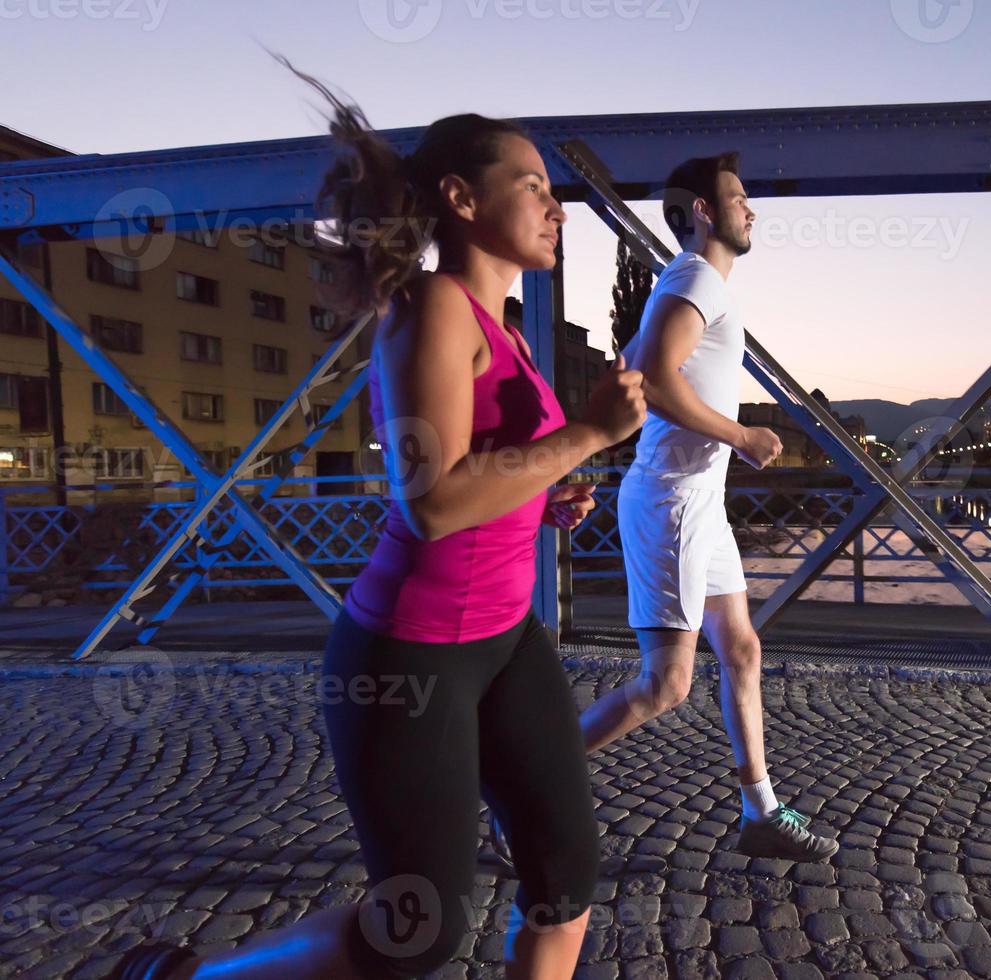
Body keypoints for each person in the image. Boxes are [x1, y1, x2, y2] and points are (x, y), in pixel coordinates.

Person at [108, 67, 645, 980]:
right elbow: (432, 501)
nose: (556, 210)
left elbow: (488, 475)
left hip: (507, 638)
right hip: (412, 653)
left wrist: (549, 488)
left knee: (566, 879)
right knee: (417, 932)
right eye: (535, 187)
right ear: (459, 198)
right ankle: (183, 977)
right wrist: (587, 434)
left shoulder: (509, 330)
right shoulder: (432, 307)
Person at [581, 152, 839, 861]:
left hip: (697, 501)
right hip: (671, 503)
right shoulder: (694, 275)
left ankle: (760, 812)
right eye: (738, 197)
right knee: (665, 684)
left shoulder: (693, 284)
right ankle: (523, 788)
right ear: (702, 210)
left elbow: (632, 370)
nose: (750, 208)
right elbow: (658, 383)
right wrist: (743, 434)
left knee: (742, 648)